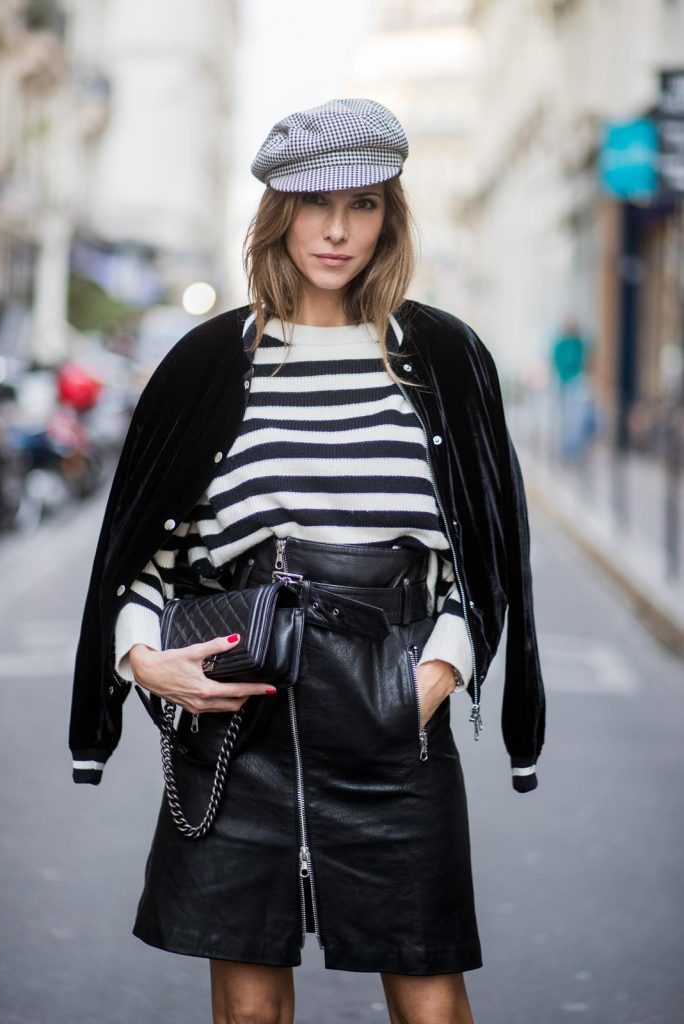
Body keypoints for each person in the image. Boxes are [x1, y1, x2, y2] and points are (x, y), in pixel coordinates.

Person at [69, 98, 545, 1024]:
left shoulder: (444, 357)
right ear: (277, 209)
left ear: (390, 216)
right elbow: (143, 554)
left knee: (430, 1004)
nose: (337, 229)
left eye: (365, 203)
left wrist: (433, 675)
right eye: (316, 202)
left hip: (392, 719)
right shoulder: (209, 362)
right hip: (237, 726)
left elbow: (484, 556)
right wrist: (144, 661)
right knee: (249, 1012)